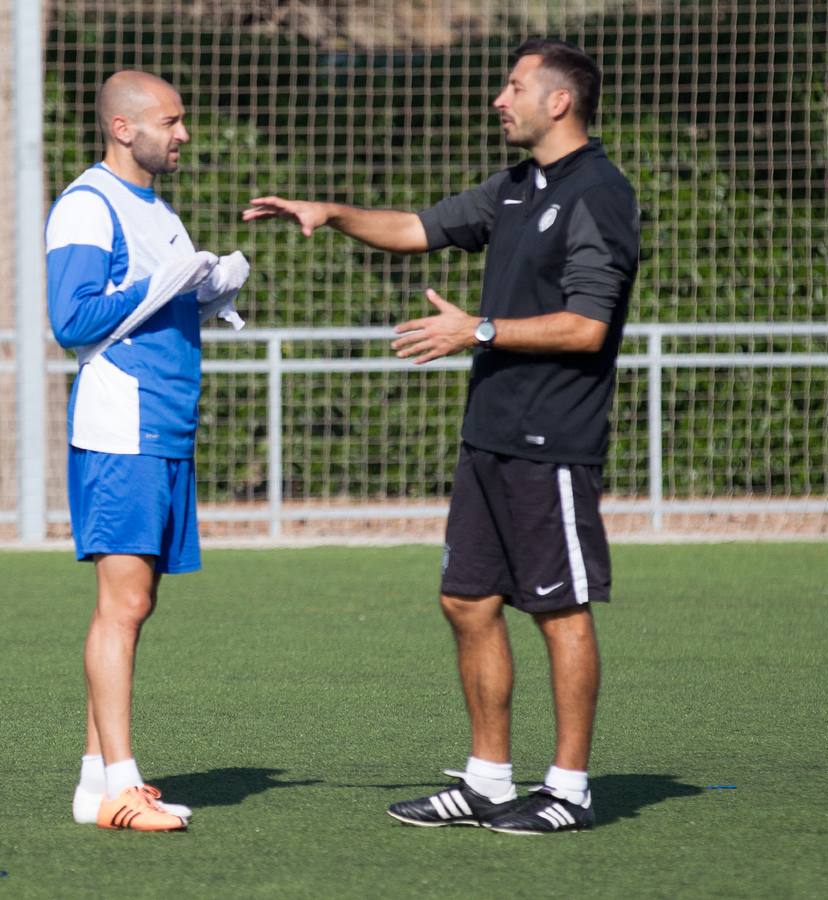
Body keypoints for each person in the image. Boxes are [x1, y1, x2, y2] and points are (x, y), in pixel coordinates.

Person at [243, 38, 638, 834]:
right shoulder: (516, 186)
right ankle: (488, 781)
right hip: (488, 435)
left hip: (550, 441)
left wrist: (477, 329)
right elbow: (420, 226)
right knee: (464, 601)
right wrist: (333, 214)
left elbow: (588, 327)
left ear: (557, 101)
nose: (501, 97)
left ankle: (567, 789)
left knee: (558, 610)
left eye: (515, 85)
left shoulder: (598, 192)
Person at [46, 70, 250, 832]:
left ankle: (95, 784)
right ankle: (121, 789)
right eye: (171, 121)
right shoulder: (86, 205)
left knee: (138, 604)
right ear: (124, 128)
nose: (183, 133)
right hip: (119, 427)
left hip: (165, 425)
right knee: (121, 605)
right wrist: (159, 284)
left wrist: (209, 290)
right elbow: (70, 320)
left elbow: (155, 298)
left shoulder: (156, 211)